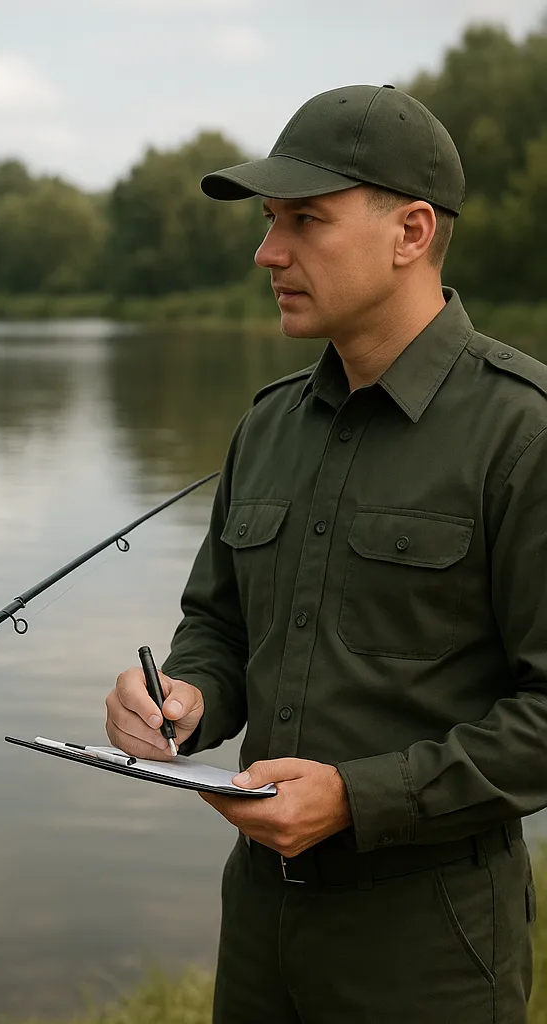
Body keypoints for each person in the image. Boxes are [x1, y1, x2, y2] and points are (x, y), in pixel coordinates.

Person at [105, 84, 547, 1022]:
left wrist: (357, 797)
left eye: (306, 221)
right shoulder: (267, 425)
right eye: (270, 222)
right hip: (259, 921)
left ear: (413, 232)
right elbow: (220, 626)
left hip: (432, 940)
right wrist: (183, 698)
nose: (269, 252)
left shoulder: (524, 434)